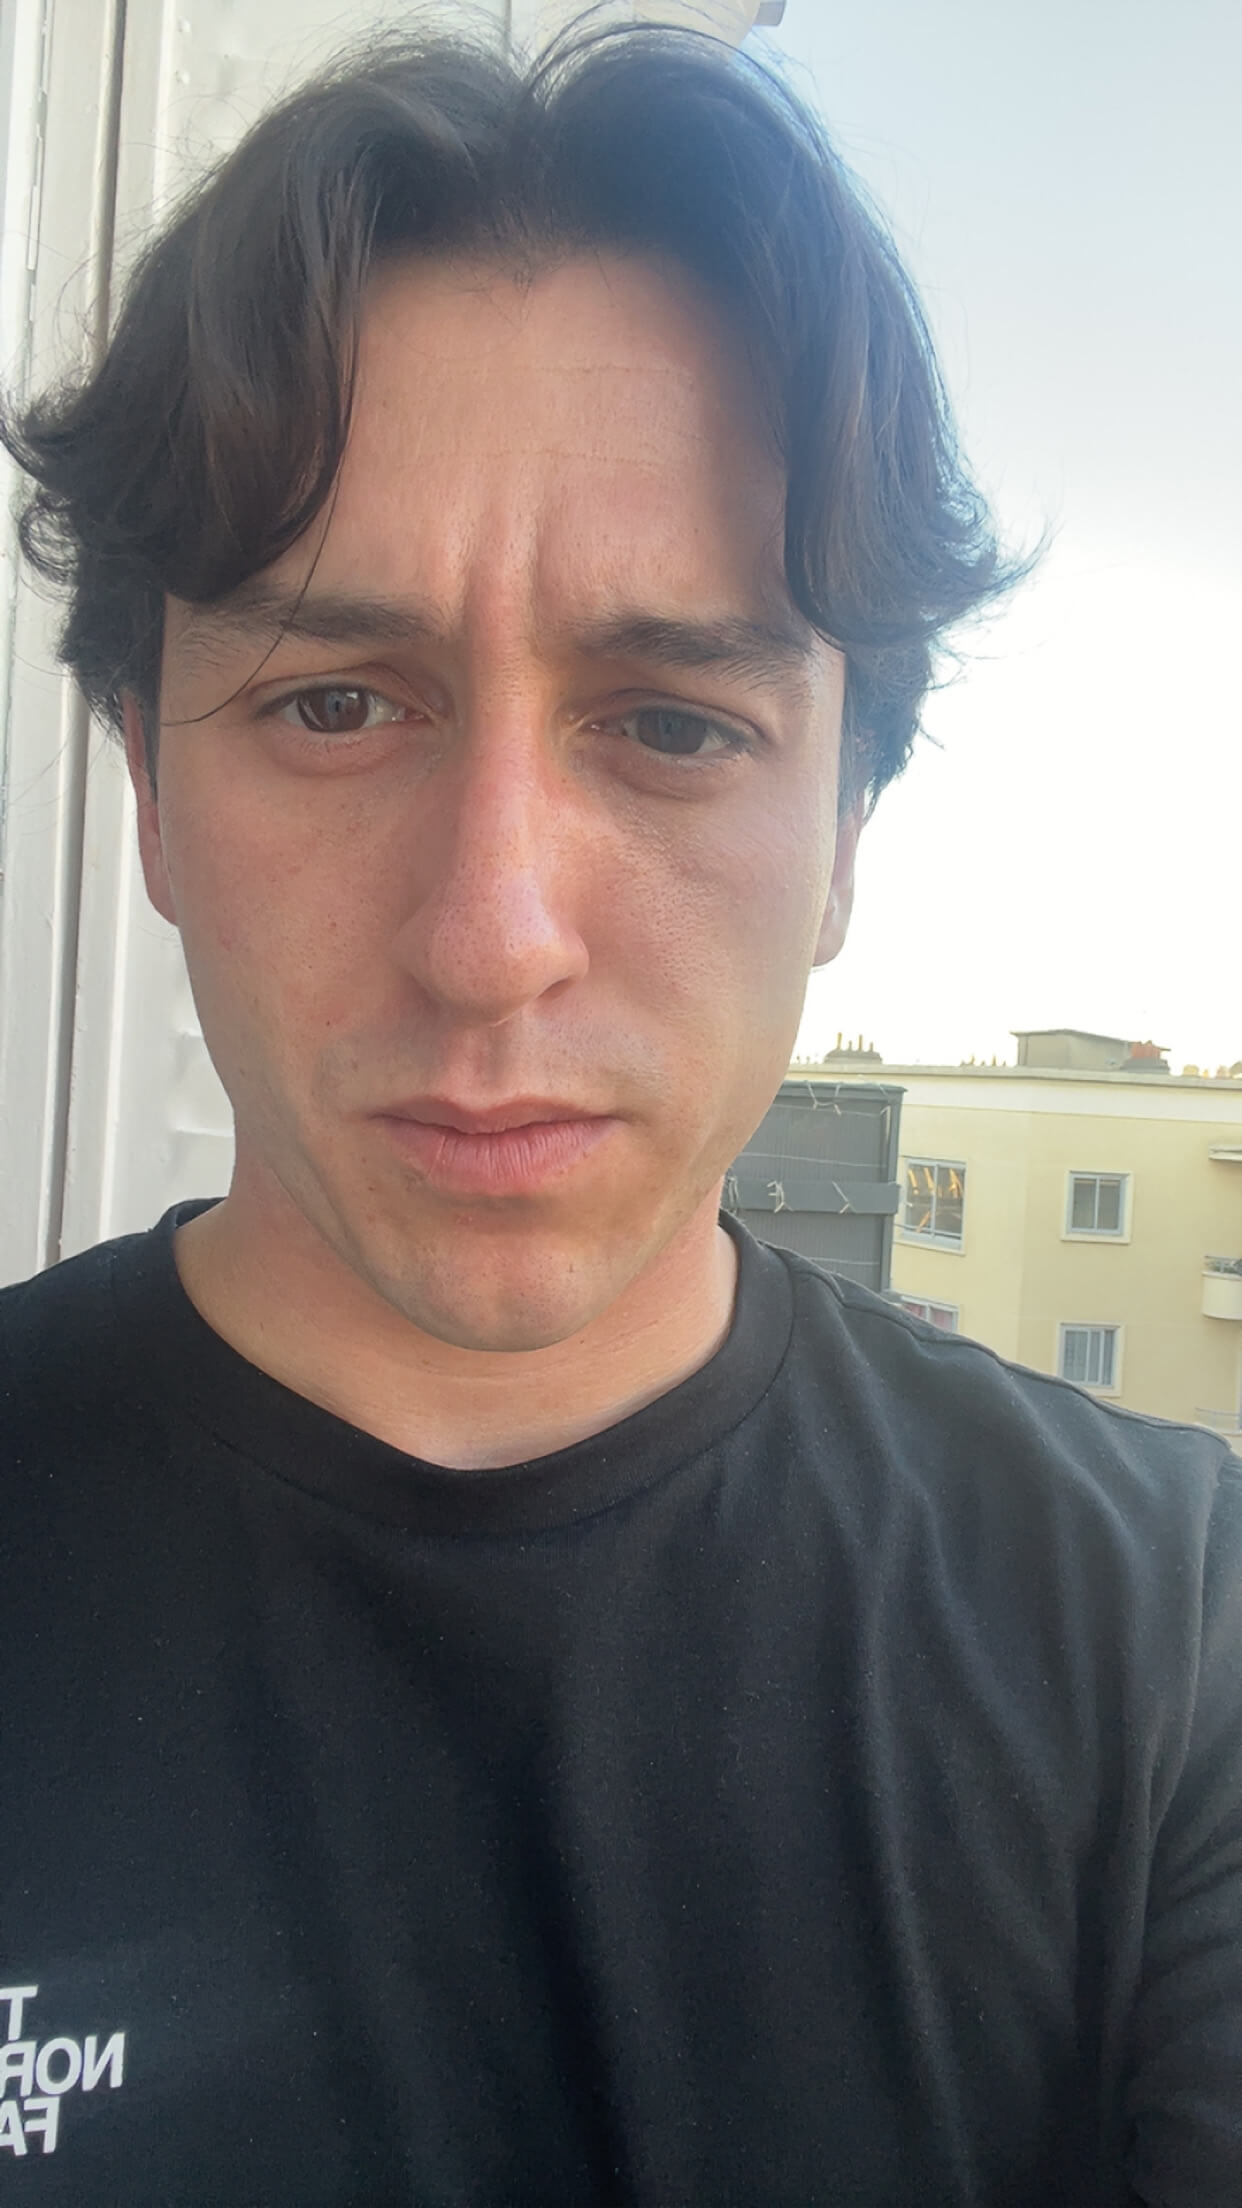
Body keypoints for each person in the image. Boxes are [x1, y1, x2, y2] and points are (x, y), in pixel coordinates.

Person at [1, 21, 1238, 2206]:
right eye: (336, 701)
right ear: (150, 792)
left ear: (846, 837)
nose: (492, 940)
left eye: (670, 724)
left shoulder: (1173, 1638)